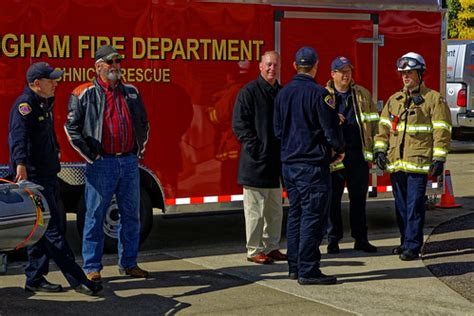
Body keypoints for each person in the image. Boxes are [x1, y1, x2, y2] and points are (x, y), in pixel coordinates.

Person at [8, 62, 102, 296]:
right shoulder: (25, 105)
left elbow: (46, 136)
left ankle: (35, 279)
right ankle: (79, 281)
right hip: (35, 179)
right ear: (36, 83)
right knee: (52, 232)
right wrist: (20, 164)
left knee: (42, 231)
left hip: (48, 175)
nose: (56, 83)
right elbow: (18, 137)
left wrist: (57, 150)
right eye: (51, 80)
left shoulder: (43, 103)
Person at [64, 45, 150, 281]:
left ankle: (129, 263)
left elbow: (143, 123)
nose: (115, 67)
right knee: (95, 215)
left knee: (132, 216)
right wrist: (93, 156)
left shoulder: (131, 92)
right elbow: (71, 129)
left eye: (118, 62)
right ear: (98, 66)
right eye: (110, 62)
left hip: (129, 163)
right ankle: (92, 267)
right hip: (102, 164)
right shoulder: (84, 93)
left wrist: (137, 152)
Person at [274, 47, 344, 285]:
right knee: (312, 218)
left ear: (295, 66)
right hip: (312, 166)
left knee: (295, 215)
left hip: (289, 165)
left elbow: (277, 130)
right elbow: (330, 131)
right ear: (316, 67)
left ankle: (294, 266)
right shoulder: (319, 94)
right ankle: (308, 269)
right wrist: (338, 149)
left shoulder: (282, 94)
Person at [374, 52, 452, 261]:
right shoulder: (394, 100)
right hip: (397, 164)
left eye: (409, 72)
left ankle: (413, 246)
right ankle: (405, 241)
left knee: (414, 207)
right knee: (400, 207)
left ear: (420, 73)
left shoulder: (434, 100)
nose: (405, 76)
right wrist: (380, 150)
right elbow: (383, 129)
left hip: (418, 164)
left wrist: (439, 158)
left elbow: (441, 130)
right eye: (403, 73)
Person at [232, 51, 287, 264]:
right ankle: (254, 251)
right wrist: (257, 149)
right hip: (254, 164)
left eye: (275, 65)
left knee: (275, 212)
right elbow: (240, 125)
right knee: (255, 213)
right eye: (268, 65)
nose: (272, 68)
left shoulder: (281, 93)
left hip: (276, 164)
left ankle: (272, 247)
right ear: (260, 67)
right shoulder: (248, 92)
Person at [325, 56, 379, 254]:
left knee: (359, 199)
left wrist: (376, 149)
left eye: (348, 71)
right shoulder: (324, 96)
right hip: (335, 156)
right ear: (333, 74)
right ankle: (333, 240)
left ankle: (361, 239)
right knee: (333, 200)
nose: (346, 74)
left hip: (358, 155)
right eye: (341, 71)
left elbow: (374, 123)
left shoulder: (362, 95)